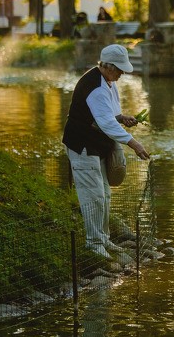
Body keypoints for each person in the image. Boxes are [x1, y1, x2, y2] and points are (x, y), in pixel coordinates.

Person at [62, 44, 150, 259]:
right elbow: (106, 124)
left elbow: (109, 116)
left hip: (97, 145)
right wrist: (134, 144)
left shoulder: (108, 81)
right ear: (108, 66)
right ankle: (93, 244)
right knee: (93, 196)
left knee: (105, 194)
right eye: (119, 69)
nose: (122, 73)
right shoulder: (97, 88)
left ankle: (103, 239)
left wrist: (122, 117)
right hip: (82, 145)